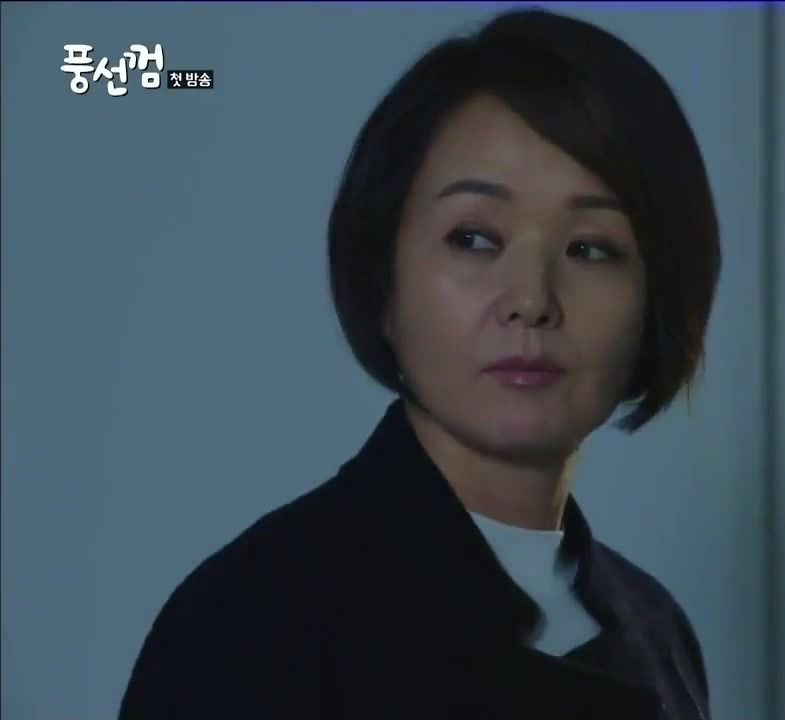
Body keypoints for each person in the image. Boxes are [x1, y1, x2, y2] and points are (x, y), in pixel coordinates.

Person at [118, 7, 720, 720]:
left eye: (590, 248)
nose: (532, 300)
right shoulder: (252, 621)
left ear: (654, 300)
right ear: (384, 282)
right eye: (474, 239)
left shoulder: (656, 631)